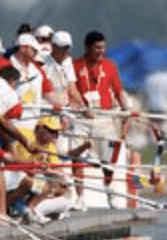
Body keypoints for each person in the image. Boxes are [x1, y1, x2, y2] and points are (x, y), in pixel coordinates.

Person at [73, 30, 130, 206]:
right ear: (88, 47)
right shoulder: (76, 65)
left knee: (107, 158)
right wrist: (80, 108)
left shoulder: (110, 65)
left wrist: (126, 111)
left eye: (103, 47)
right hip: (82, 116)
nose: (101, 51)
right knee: (77, 156)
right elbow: (70, 91)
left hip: (103, 116)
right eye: (97, 47)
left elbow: (118, 90)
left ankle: (109, 189)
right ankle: (80, 197)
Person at [40, 30, 91, 210]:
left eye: (67, 48)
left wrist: (84, 107)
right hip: (47, 112)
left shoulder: (68, 62)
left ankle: (77, 196)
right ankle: (53, 195)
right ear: (53, 47)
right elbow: (44, 90)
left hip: (64, 111)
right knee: (52, 154)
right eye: (61, 48)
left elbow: (71, 87)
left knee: (73, 154)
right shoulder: (43, 62)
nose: (65, 52)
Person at [10, 33, 61, 130]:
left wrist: (59, 104)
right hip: (12, 125)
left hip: (33, 124)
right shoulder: (6, 65)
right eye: (34, 50)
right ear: (23, 48)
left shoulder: (37, 71)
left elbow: (49, 93)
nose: (36, 54)